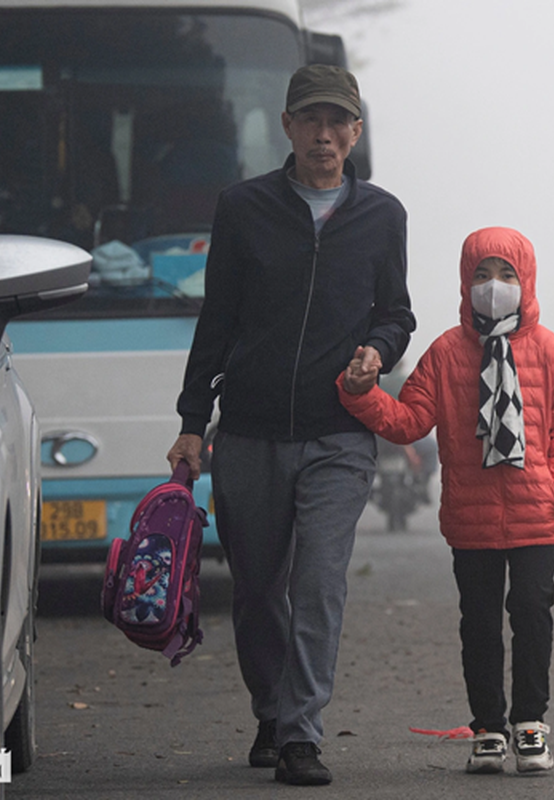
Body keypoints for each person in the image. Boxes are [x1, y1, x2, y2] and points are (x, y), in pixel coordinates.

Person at [165, 64, 415, 787]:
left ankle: (303, 733)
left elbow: (396, 310)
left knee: (320, 581)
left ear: (356, 133)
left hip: (340, 432)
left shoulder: (383, 215)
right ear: (287, 127)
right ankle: (270, 712)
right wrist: (192, 420)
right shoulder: (242, 208)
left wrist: (379, 349)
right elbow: (217, 320)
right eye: (312, 119)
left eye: (339, 122)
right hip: (248, 433)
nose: (325, 134)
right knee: (257, 588)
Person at [336, 227, 554, 775]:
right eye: (480, 275)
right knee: (478, 624)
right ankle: (489, 729)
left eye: (505, 275)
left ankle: (530, 723)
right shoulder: (447, 353)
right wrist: (361, 393)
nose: (492, 287)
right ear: (463, 281)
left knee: (532, 615)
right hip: (470, 517)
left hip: (536, 515)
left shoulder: (550, 352)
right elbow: (407, 423)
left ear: (527, 281)